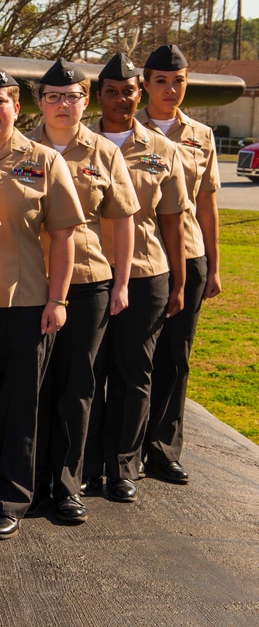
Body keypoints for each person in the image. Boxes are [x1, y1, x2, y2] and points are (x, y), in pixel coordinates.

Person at [0, 62, 83, 541]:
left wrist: (59, 299)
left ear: (16, 107)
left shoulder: (44, 160)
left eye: (0, 101)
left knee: (17, 408)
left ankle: (7, 500)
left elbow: (63, 236)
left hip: (26, 302)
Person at [25, 59, 139, 521]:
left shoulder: (103, 152)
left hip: (88, 280)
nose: (62, 105)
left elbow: (123, 219)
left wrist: (123, 281)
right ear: (39, 102)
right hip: (30, 283)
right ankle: (28, 482)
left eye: (72, 96)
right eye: (53, 96)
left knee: (77, 384)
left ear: (84, 101)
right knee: (30, 387)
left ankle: (70, 483)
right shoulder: (20, 149)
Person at [84, 52, 190, 502]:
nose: (120, 99)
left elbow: (172, 223)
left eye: (128, 91)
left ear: (138, 93)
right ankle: (85, 465)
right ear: (99, 96)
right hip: (88, 274)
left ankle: (124, 465)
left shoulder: (162, 151)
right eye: (111, 92)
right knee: (87, 373)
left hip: (146, 273)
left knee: (134, 373)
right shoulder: (76, 144)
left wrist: (181, 284)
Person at [137, 44, 221, 485]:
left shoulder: (200, 136)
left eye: (179, 81)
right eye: (162, 81)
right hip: (141, 259)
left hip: (189, 255)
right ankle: (123, 450)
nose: (171, 89)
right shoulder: (127, 130)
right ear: (145, 84)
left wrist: (215, 266)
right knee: (132, 359)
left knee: (175, 357)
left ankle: (164, 449)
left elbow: (207, 205)